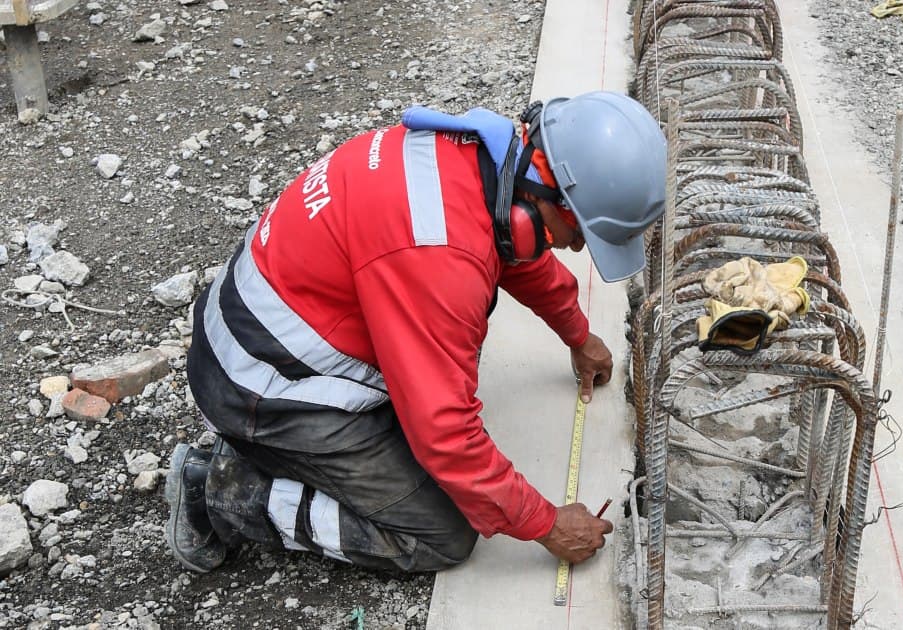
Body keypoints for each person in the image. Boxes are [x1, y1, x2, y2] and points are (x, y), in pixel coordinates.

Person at [163, 91, 667, 575]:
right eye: (577, 232)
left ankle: (288, 459)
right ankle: (222, 492)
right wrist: (546, 524)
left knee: (438, 439)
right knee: (441, 532)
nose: (575, 248)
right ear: (545, 192)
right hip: (259, 388)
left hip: (258, 333)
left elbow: (516, 249)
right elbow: (446, 436)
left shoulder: (486, 159)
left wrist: (578, 334)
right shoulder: (437, 258)